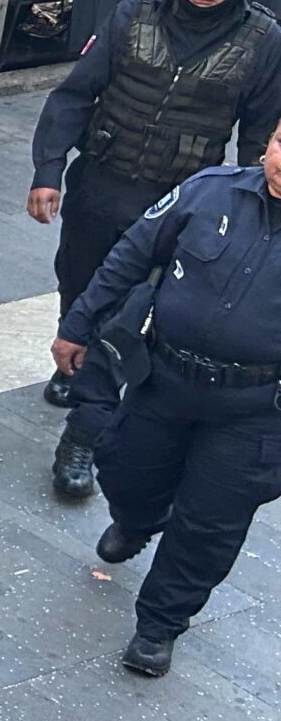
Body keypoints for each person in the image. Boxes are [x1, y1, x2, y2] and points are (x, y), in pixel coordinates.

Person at [29, 0, 281, 500]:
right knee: (81, 282)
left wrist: (251, 214)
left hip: (178, 202)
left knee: (129, 312)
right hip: (102, 181)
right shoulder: (132, 15)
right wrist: (47, 172)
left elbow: (261, 133)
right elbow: (74, 94)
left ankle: (84, 433)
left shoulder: (263, 40)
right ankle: (75, 353)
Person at [54, 124, 281, 677]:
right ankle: (139, 518)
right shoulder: (210, 190)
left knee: (209, 525)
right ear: (267, 145)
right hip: (164, 379)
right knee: (123, 468)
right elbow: (130, 256)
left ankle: (159, 625)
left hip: (253, 410)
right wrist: (78, 326)